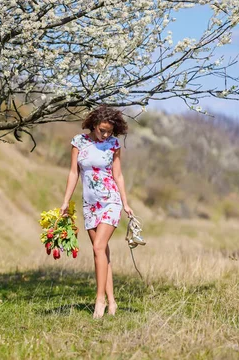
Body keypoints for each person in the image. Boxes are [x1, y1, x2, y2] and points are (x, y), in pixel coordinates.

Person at [60, 105, 133, 319]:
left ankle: (99, 301)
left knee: (98, 248)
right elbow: (74, 173)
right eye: (102, 130)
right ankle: (112, 303)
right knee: (102, 252)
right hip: (90, 204)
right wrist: (65, 201)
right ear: (94, 125)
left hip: (110, 201)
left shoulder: (113, 144)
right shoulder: (79, 142)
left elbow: (118, 175)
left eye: (110, 131)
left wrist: (125, 203)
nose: (106, 134)